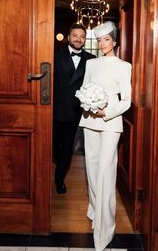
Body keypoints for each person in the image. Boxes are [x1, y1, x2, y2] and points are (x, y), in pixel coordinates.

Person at [78, 21, 132, 251]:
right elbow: (82, 90)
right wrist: (87, 104)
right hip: (89, 121)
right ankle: (95, 208)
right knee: (91, 169)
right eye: (99, 40)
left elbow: (126, 101)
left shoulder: (123, 66)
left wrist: (106, 111)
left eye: (106, 39)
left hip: (111, 124)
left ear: (115, 42)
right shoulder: (91, 64)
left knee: (104, 172)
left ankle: (105, 228)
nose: (102, 44)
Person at [53, 23, 95, 194]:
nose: (78, 39)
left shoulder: (91, 59)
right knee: (53, 144)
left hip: (74, 111)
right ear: (69, 37)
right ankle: (59, 161)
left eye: (82, 36)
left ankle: (59, 179)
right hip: (55, 109)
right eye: (75, 35)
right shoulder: (55, 55)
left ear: (85, 39)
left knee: (67, 147)